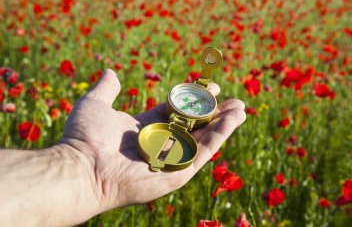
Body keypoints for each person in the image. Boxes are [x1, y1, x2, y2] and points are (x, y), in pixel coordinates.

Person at [0, 69, 246, 226]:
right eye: (186, 102)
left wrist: (79, 165)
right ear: (176, 100)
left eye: (193, 106)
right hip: (125, 150)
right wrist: (82, 160)